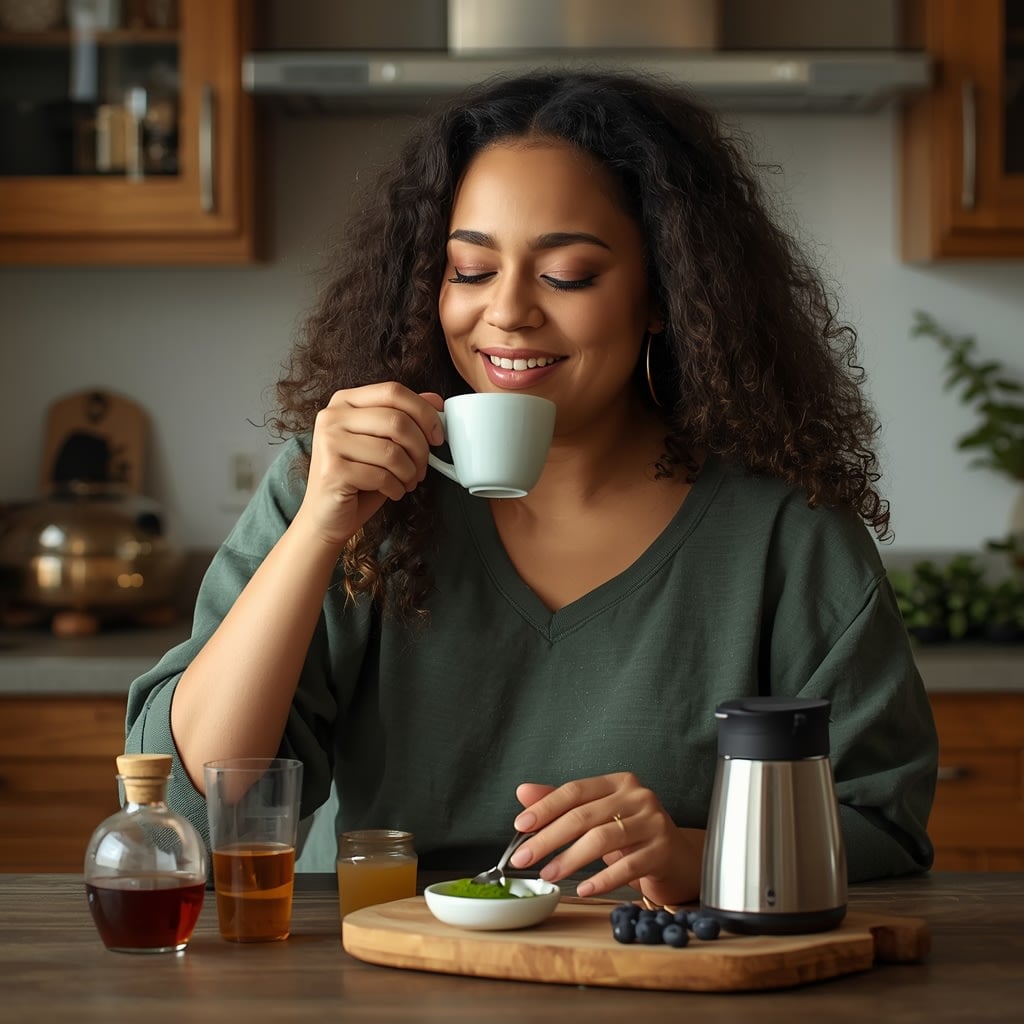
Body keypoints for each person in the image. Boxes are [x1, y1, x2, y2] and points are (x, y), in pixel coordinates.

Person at [126, 68, 937, 907]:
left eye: (569, 275)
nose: (507, 312)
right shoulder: (334, 488)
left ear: (664, 293)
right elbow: (191, 809)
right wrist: (316, 534)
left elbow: (885, 820)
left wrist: (701, 854)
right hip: (390, 978)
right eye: (471, 271)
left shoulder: (783, 531)